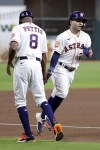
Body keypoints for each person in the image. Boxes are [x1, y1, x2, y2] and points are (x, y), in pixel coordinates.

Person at [6, 10, 64, 142]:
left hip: (22, 64)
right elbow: (44, 56)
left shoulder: (18, 28)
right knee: (41, 98)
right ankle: (55, 123)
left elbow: (14, 46)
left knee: (20, 100)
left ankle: (28, 134)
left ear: (21, 20)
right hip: (37, 65)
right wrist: (43, 73)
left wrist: (9, 62)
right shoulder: (41, 31)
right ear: (32, 19)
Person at [36, 11, 93, 133]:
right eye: (78, 21)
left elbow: (89, 51)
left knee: (56, 94)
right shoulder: (62, 36)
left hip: (72, 71)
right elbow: (56, 54)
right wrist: (50, 70)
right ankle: (50, 118)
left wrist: (89, 53)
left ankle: (41, 116)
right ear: (71, 21)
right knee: (63, 93)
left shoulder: (86, 37)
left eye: (82, 21)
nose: (81, 23)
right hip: (59, 68)